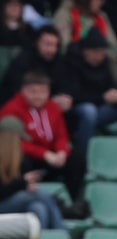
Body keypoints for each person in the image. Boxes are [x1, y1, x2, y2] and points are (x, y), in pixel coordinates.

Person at [0, 68, 86, 204]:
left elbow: (61, 135)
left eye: (43, 92)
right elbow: (12, 143)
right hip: (29, 157)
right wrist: (44, 154)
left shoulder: (53, 107)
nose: (38, 96)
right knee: (21, 161)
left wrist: (62, 152)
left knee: (76, 160)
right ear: (23, 90)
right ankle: (23, 199)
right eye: (33, 92)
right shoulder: (10, 110)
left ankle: (70, 203)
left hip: (51, 156)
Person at [0, 116, 65, 230]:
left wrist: (28, 184)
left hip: (15, 204)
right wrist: (23, 182)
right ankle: (62, 233)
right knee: (37, 195)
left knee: (38, 208)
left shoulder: (22, 159)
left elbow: (17, 186)